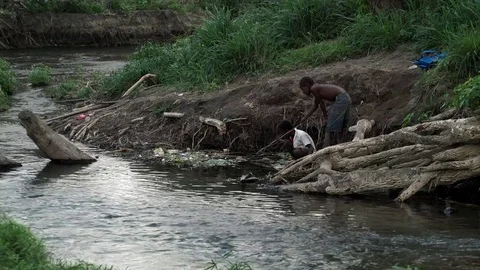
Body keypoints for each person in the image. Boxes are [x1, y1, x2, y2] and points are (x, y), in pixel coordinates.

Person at [299, 76, 351, 148]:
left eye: (302, 89)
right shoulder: (316, 88)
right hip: (346, 97)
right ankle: (341, 145)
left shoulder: (313, 88)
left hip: (341, 98)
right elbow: (315, 106)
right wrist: (305, 117)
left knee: (329, 126)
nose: (303, 92)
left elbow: (321, 104)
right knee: (340, 126)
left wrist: (325, 117)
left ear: (307, 85)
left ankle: (326, 148)